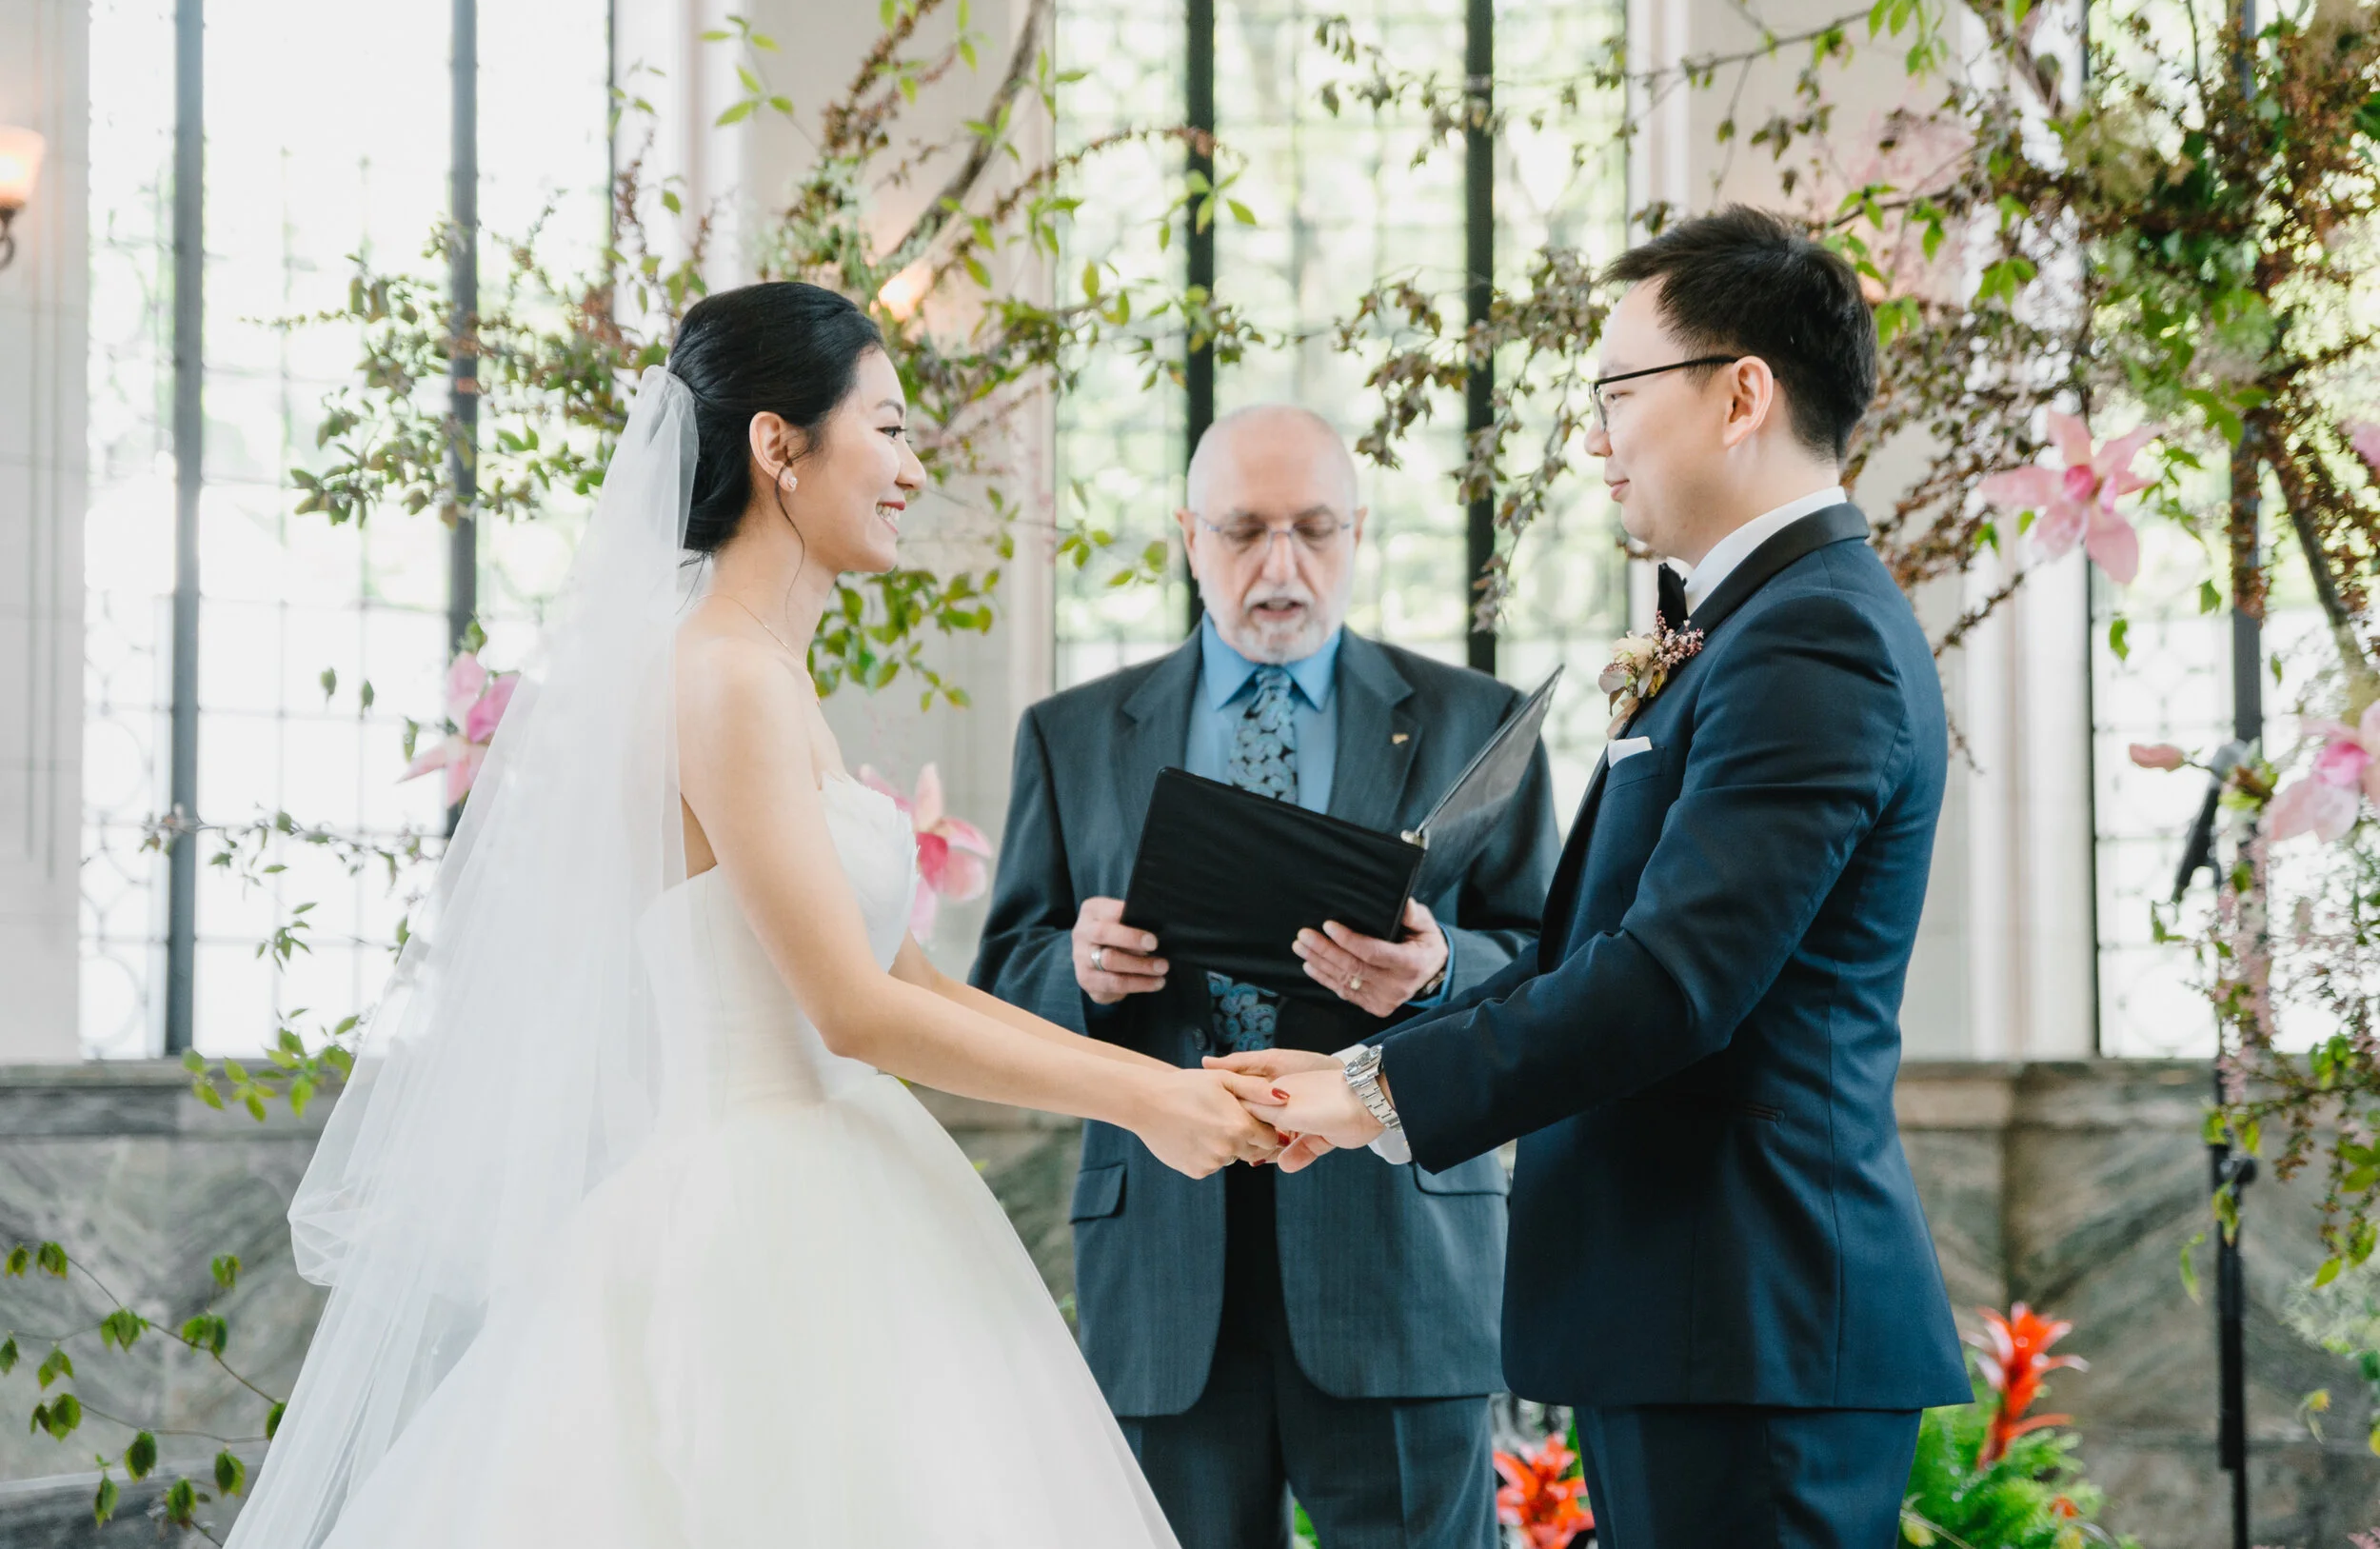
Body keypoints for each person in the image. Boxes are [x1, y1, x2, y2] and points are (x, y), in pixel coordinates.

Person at [228, 281, 1285, 1549]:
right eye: (887, 428)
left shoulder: (776, 678)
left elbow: (916, 978)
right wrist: (1143, 1101)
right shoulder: (721, 678)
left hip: (850, 1167)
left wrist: (1159, 1085)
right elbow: (850, 1009)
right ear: (779, 446)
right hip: (753, 1213)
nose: (911, 466)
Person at [1224, 209, 1971, 1548]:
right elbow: (1600, 958)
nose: (1594, 436)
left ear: (1743, 393)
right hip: (1699, 1319)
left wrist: (1366, 1092)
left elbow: (1673, 982)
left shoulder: (1813, 642)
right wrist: (1401, 1022)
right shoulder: (1755, 625)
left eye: (1618, 392)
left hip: (1753, 1325)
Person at [972, 404, 1560, 1549]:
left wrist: (1439, 971)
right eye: (1242, 530)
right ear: (1187, 536)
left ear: (1359, 532)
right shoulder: (1073, 731)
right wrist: (1082, 971)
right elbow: (1002, 969)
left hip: (1397, 1258)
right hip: (1164, 1271)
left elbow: (1555, 959)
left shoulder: (1469, 720)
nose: (1279, 564)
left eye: (1313, 528)